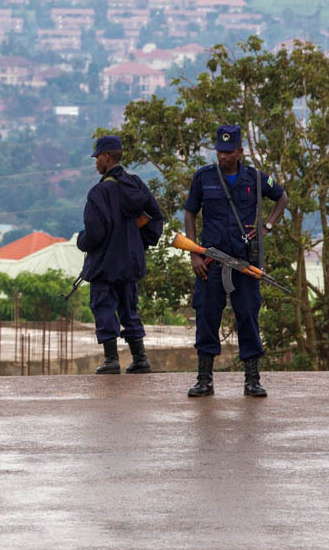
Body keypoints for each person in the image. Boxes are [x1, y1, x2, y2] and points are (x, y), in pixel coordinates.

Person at [184, 125, 288, 397]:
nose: (223, 157)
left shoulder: (254, 177)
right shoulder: (204, 177)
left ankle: (252, 379)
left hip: (244, 263)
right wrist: (194, 252)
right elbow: (190, 212)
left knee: (248, 317)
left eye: (229, 152)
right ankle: (204, 379)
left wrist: (266, 227)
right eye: (220, 151)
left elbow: (281, 197)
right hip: (210, 261)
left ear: (240, 151)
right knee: (207, 317)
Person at [76, 135, 164, 374]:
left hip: (105, 264)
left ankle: (111, 360)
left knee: (103, 307)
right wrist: (138, 244)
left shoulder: (99, 192)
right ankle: (140, 359)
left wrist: (81, 242)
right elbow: (156, 218)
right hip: (131, 262)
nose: (96, 163)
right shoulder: (136, 185)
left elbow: (94, 233)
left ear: (106, 158)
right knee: (129, 308)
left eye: (97, 158)